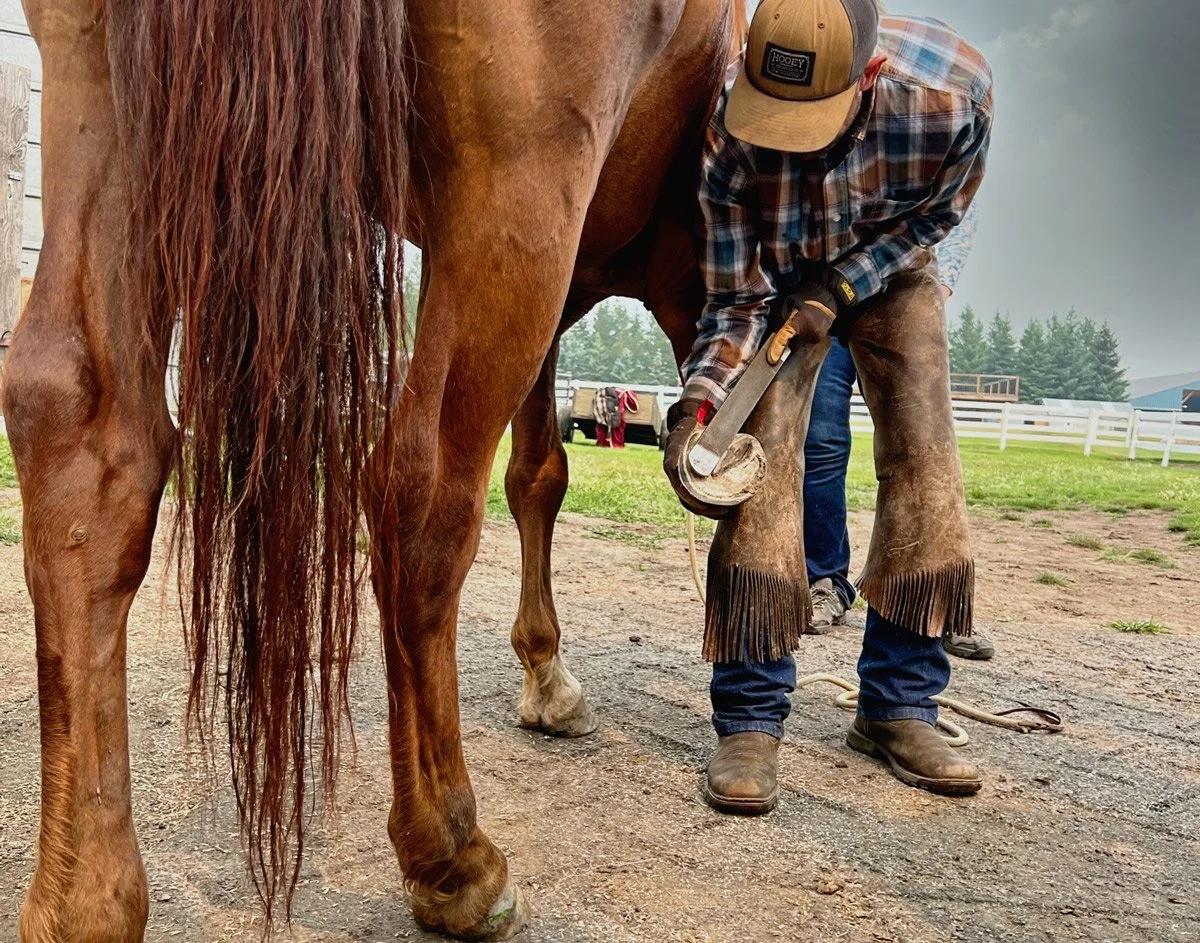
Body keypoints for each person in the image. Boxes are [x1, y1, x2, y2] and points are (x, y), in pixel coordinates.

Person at [665, 0, 993, 811]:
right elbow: (735, 303)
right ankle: (748, 715)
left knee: (926, 456)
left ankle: (899, 701)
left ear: (871, 77)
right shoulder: (731, 136)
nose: (782, 138)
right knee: (762, 467)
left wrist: (848, 282)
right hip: (779, 286)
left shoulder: (954, 101)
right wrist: (698, 411)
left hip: (892, 268)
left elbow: (938, 212)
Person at [805, 204, 997, 662]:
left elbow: (960, 208)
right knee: (820, 439)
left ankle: (935, 600)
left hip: (902, 287)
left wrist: (940, 281)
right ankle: (826, 579)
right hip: (823, 297)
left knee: (923, 448)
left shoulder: (938, 136)